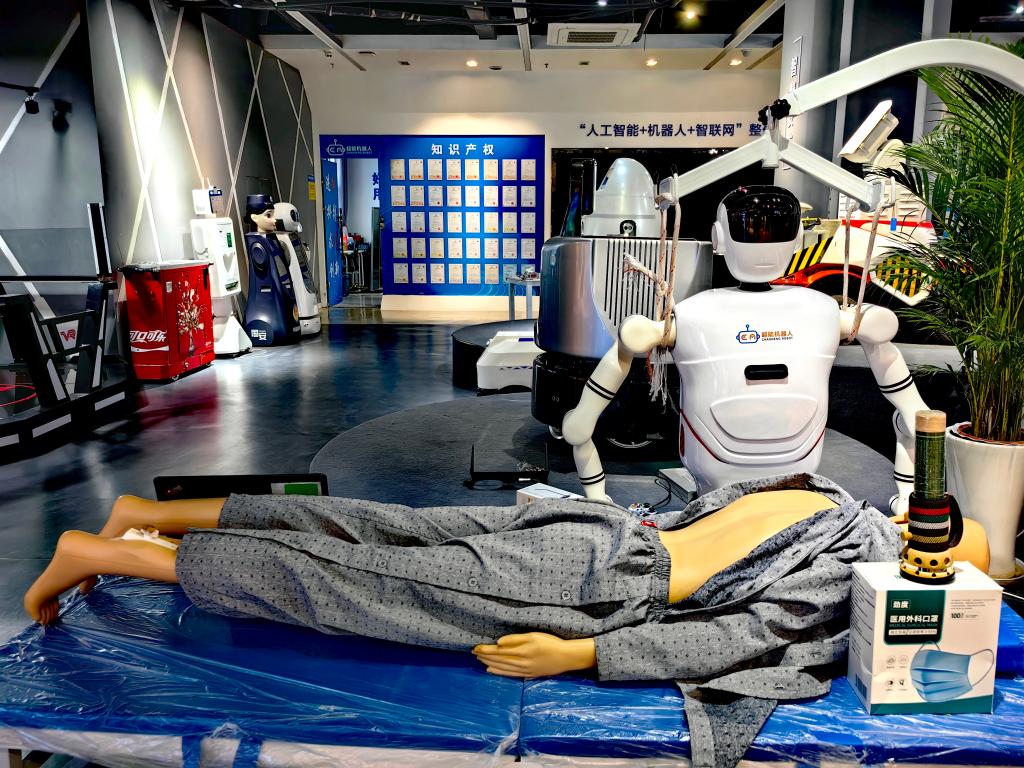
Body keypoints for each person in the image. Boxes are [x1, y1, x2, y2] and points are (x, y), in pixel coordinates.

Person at [23, 474, 985, 680]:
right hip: (591, 580)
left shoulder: (825, 493)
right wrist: (583, 655)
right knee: (353, 581)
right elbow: (734, 638)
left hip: (593, 526)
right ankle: (101, 554)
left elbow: (705, 501)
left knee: (371, 524)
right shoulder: (851, 569)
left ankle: (144, 514)